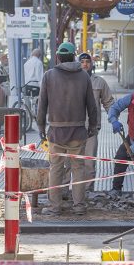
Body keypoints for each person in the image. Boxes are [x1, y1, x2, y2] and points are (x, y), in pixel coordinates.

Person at [37, 41, 100, 216]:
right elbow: (92, 106)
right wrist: (92, 127)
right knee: (78, 168)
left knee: (55, 169)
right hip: (78, 132)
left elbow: (42, 106)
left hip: (56, 133)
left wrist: (41, 128)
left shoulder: (49, 76)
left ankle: (54, 207)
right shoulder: (84, 77)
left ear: (58, 57)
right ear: (74, 57)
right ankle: (79, 206)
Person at [78, 52, 114, 191]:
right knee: (69, 162)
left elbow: (108, 102)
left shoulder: (99, 82)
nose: (85, 64)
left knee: (89, 162)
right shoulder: (72, 81)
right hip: (73, 129)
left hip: (91, 129)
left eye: (87, 61)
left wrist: (113, 117)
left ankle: (88, 191)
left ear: (91, 64)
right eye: (82, 62)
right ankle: (67, 192)